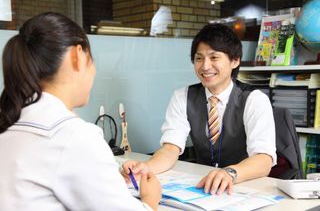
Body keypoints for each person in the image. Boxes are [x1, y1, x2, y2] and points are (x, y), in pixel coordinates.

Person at [0, 12, 161, 211]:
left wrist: (109, 178)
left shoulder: (13, 121)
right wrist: (150, 200)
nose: (93, 71)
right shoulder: (72, 136)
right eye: (92, 61)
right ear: (77, 56)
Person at [123, 23, 276, 195]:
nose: (205, 66)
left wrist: (230, 173)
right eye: (199, 58)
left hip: (244, 187)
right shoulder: (182, 96)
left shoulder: (254, 99)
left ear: (235, 61)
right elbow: (170, 149)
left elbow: (264, 160)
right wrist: (146, 168)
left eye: (214, 57)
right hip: (203, 187)